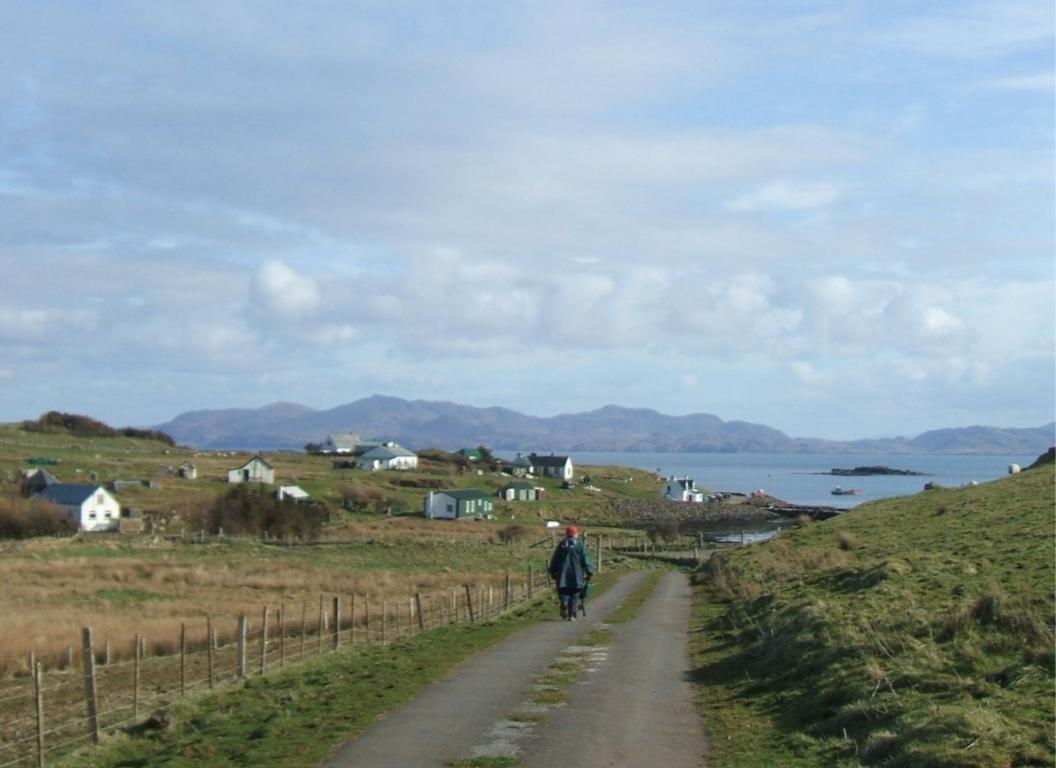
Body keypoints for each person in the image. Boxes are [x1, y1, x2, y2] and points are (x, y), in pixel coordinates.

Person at [548, 525, 594, 621]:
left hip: (562, 574)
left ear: (567, 534)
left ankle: (564, 602)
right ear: (576, 534)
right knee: (575, 593)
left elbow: (555, 559)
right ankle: (572, 615)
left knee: (564, 591)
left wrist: (552, 571)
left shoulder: (561, 544)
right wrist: (589, 571)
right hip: (576, 574)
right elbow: (585, 559)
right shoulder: (580, 545)